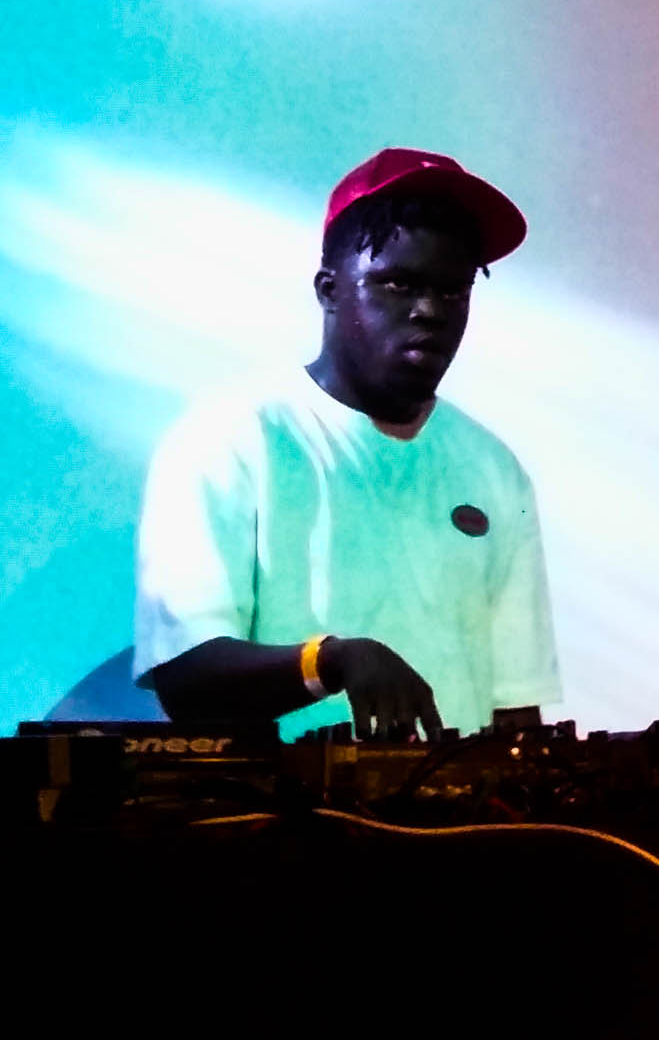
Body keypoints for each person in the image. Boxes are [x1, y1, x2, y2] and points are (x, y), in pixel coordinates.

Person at [136, 147, 561, 741]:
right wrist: (331, 661)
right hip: (283, 801)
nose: (429, 311)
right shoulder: (230, 438)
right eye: (398, 283)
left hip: (462, 805)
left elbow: (517, 713)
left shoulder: (493, 468)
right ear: (330, 289)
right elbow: (186, 680)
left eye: (453, 291)